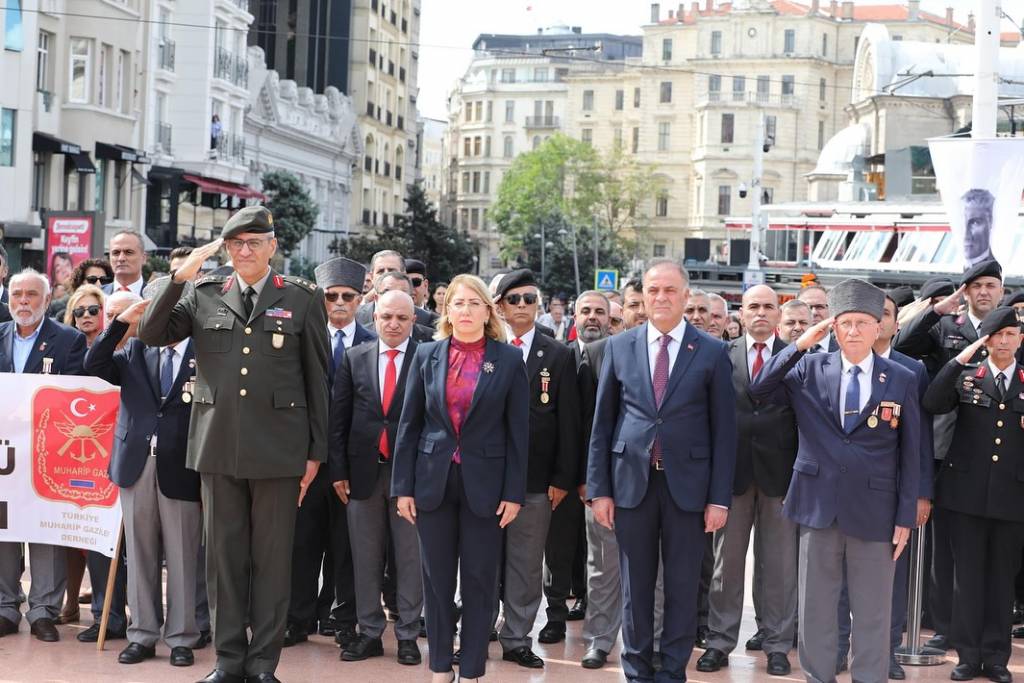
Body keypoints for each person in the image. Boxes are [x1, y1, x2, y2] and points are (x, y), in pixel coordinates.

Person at [137, 205, 330, 683]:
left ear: (272, 247)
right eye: (236, 243)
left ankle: (263, 663)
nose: (244, 251)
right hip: (218, 446)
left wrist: (315, 453)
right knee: (222, 559)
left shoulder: (303, 299)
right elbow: (151, 332)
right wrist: (178, 277)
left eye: (254, 243)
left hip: (280, 450)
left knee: (271, 561)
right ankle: (228, 660)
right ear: (225, 248)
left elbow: (318, 381)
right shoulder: (202, 293)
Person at [750, 278, 920, 683]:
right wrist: (800, 344)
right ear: (834, 328)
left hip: (876, 513)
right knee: (816, 611)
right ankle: (818, 677)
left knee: (873, 613)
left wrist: (905, 515)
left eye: (864, 322)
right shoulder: (809, 367)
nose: (855, 331)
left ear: (879, 327)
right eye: (846, 323)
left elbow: (911, 452)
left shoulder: (901, 377)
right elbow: (759, 388)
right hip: (818, 508)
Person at [588, 259, 737, 682]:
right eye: (653, 290)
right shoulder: (620, 346)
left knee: (682, 586)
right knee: (635, 588)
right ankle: (635, 671)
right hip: (631, 484)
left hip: (688, 489)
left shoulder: (711, 351)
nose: (661, 298)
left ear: (686, 297)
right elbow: (603, 424)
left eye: (670, 290)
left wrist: (718, 498)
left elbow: (724, 433)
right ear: (643, 296)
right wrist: (600, 490)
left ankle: (673, 671)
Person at [391, 274, 529, 683]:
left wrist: (514, 492)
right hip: (432, 482)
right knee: (435, 580)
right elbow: (409, 424)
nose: (465, 310)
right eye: (458, 303)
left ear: (488, 311)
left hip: (485, 486)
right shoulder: (427, 354)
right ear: (446, 310)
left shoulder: (507, 359)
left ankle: (470, 669)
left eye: (474, 303)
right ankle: (439, 667)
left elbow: (519, 432)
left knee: (480, 579)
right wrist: (403, 487)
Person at [84, 284, 204, 668]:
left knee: (184, 553)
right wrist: (121, 322)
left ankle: (183, 637)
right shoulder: (136, 347)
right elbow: (95, 364)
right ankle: (143, 634)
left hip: (183, 464)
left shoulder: (204, 353)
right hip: (137, 464)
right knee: (140, 553)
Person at [893, 259, 1002, 651]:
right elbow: (901, 344)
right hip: (943, 446)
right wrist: (935, 309)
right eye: (976, 286)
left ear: (1001, 290)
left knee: (981, 543)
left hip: (990, 449)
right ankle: (943, 625)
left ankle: (981, 625)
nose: (984, 292)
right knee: (941, 545)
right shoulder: (944, 327)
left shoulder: (1010, 332)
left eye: (991, 285)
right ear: (965, 292)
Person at [699, 285, 797, 677]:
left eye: (767, 307)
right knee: (726, 565)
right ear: (741, 313)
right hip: (731, 476)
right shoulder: (721, 356)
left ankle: (776, 643)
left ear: (779, 313)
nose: (760, 313)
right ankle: (720, 642)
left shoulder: (796, 358)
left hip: (781, 478)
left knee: (779, 566)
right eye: (753, 306)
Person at [835, 292, 934, 679]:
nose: (877, 320)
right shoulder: (832, 365)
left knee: (889, 578)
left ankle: (885, 651)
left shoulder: (912, 370)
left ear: (893, 324)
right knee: (840, 577)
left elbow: (918, 440)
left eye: (886, 314)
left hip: (890, 495)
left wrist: (919, 494)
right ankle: (839, 647)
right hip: (842, 492)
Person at [923, 306, 1023, 683]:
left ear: (1020, 340)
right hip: (964, 497)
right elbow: (933, 402)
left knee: (1001, 581)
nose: (1003, 341)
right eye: (996, 334)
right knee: (966, 579)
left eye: (1011, 334)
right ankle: (967, 655)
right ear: (986, 339)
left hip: (1012, 499)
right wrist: (958, 359)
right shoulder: (967, 377)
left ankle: (996, 658)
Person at [281, 257, 372, 650]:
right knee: (302, 543)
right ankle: (296, 620)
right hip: (307, 460)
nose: (338, 303)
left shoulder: (373, 342)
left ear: (360, 298)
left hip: (355, 463)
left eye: (347, 296)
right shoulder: (300, 339)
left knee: (348, 547)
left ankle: (343, 620)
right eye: (331, 296)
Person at [330, 289, 423, 666]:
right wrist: (338, 471)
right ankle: (369, 633)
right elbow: (339, 419)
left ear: (413, 321)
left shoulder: (427, 357)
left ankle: (407, 635)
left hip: (410, 479)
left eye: (402, 318)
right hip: (363, 475)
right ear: (374, 318)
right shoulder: (355, 358)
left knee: (410, 558)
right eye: (386, 317)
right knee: (365, 558)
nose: (394, 324)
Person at [492, 270, 579, 667]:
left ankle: (516, 638)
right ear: (499, 306)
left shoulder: (556, 353)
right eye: (514, 299)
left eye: (530, 299)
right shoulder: (486, 347)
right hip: (486, 476)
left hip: (535, 478)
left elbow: (568, 421)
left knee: (527, 564)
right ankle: (478, 631)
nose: (523, 306)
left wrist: (562, 478)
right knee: (483, 560)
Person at [0, 269, 86, 643]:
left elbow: (77, 396)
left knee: (45, 530)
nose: (22, 301)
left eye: (31, 294)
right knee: (3, 528)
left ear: (47, 300)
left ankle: (42, 612)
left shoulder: (68, 341)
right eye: (17, 293)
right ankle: (5, 607)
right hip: (3, 454)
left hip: (48, 453)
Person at [356, 250, 438, 329]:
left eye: (391, 270)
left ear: (403, 274)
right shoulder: (354, 315)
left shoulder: (429, 320)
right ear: (372, 277)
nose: (386, 275)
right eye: (380, 271)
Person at [105, 230, 147, 296]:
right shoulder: (96, 296)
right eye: (116, 253)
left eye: (129, 252)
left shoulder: (156, 297)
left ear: (144, 258)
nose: (121, 258)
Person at [797, 285, 838, 352]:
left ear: (831, 310)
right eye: (807, 307)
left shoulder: (846, 351)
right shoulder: (783, 351)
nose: (814, 313)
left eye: (820, 307)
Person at [962, 188, 994, 267]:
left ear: (990, 221)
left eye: (975, 223)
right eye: (963, 223)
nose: (966, 235)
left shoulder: (994, 269)